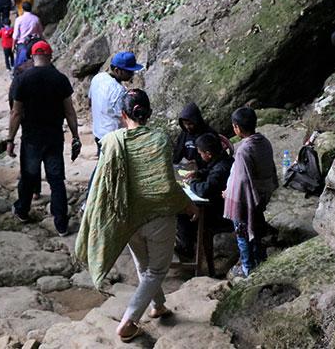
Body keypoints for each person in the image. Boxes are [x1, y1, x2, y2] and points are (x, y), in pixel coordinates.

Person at [75, 89, 199, 343]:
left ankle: (158, 305)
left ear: (123, 114)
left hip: (128, 217)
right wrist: (188, 206)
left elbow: (102, 183)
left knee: (143, 266)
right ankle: (128, 322)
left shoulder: (111, 141)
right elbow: (166, 185)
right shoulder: (160, 140)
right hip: (158, 217)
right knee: (156, 270)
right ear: (149, 113)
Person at [6, 40, 81, 236]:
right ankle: (61, 223)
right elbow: (70, 111)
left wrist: (10, 139)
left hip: (31, 138)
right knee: (56, 180)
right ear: (50, 56)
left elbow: (15, 113)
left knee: (29, 177)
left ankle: (22, 210)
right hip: (54, 137)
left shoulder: (22, 79)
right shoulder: (60, 79)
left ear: (32, 56)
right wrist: (75, 136)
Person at [224, 107, 278, 277]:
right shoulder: (264, 142)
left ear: (237, 128)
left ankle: (247, 268)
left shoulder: (243, 150)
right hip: (261, 195)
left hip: (246, 200)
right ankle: (261, 260)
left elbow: (241, 180)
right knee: (256, 230)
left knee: (243, 235)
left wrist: (228, 194)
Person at [175, 133, 234, 260]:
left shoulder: (221, 169)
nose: (200, 156)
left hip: (220, 212)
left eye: (200, 153)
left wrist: (192, 183)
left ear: (208, 154)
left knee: (183, 212)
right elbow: (210, 171)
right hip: (219, 203)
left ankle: (186, 247)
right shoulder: (223, 159)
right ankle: (188, 242)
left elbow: (205, 190)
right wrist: (198, 173)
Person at [88, 52, 143, 155]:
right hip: (112, 138)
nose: (132, 74)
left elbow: (90, 102)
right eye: (129, 72)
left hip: (98, 132)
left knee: (103, 163)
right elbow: (124, 117)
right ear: (118, 71)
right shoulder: (119, 90)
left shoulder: (98, 78)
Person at [173, 103, 218, 170]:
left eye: (190, 124)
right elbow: (178, 152)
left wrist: (198, 163)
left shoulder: (209, 134)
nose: (187, 127)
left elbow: (215, 157)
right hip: (188, 169)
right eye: (185, 124)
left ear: (196, 121)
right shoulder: (184, 134)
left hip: (206, 169)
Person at [12, 1, 44, 68]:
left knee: (19, 61)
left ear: (23, 9)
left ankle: (15, 73)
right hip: (34, 43)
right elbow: (40, 32)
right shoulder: (36, 19)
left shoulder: (19, 19)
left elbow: (15, 35)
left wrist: (13, 45)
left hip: (23, 44)